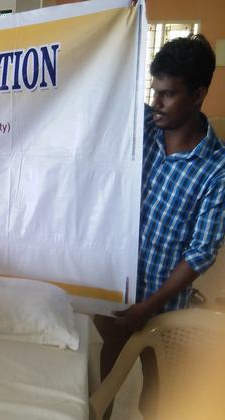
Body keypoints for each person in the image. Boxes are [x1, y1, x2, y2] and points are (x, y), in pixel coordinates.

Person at [95, 34, 225, 418]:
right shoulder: (146, 130)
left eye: (168, 94)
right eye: (154, 91)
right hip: (119, 291)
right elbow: (104, 91)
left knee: (156, 395)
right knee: (103, 384)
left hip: (164, 305)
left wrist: (149, 307)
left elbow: (200, 253)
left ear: (198, 94)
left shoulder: (216, 169)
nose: (156, 103)